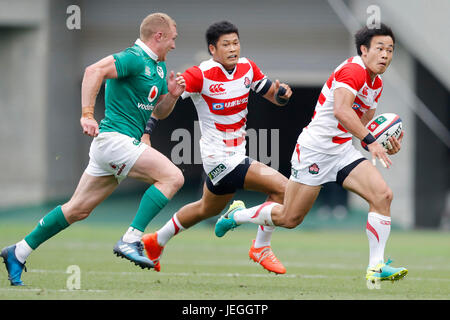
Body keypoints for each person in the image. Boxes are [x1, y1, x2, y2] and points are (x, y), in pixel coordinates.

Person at [1, 13, 186, 286]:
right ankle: (131, 238)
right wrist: (87, 114)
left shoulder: (158, 69)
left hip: (115, 147)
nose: (174, 45)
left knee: (77, 210)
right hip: (115, 141)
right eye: (173, 38)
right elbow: (93, 71)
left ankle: (18, 251)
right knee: (173, 177)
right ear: (158, 35)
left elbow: (157, 113)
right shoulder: (133, 57)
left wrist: (171, 95)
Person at [215, 23, 408, 284]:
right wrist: (370, 139)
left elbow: (360, 127)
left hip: (341, 150)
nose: (386, 54)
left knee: (383, 195)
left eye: (390, 50)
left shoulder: (377, 83)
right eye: (380, 48)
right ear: (364, 50)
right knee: (290, 217)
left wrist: (381, 142)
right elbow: (341, 110)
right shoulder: (353, 70)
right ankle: (236, 215)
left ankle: (376, 266)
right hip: (315, 149)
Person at [141, 21, 292, 274]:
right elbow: (162, 109)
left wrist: (282, 95)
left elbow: (272, 95)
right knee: (284, 189)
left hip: (236, 154)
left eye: (236, 43)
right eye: (226, 44)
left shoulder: (247, 67)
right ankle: (259, 245)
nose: (233, 49)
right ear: (213, 49)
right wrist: (172, 97)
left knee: (205, 208)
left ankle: (156, 240)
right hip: (219, 159)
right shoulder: (199, 74)